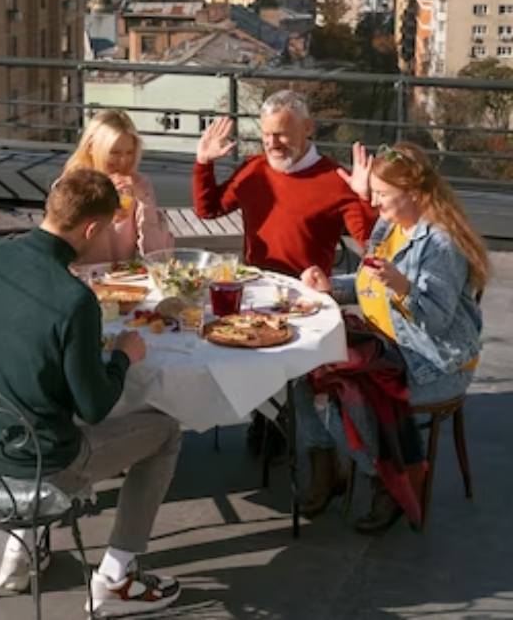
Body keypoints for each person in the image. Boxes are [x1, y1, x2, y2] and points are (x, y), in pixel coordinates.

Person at [0, 169, 182, 616]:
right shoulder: (74, 300)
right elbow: (95, 408)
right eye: (107, 229)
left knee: (45, 401)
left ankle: (19, 552)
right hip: (39, 467)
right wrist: (121, 357)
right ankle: (117, 579)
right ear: (91, 229)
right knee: (167, 430)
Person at [299, 142, 489, 534]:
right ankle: (355, 469)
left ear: (415, 195)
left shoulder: (440, 245)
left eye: (383, 195)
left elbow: (435, 321)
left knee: (346, 388)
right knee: (313, 372)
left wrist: (404, 287)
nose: (374, 202)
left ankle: (388, 484)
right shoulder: (390, 227)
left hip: (433, 364)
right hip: (391, 347)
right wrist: (330, 285)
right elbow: (370, 280)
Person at [193, 90, 376, 278]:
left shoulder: (338, 180)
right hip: (256, 285)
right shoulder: (253, 168)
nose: (272, 143)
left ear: (308, 127)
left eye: (281, 134)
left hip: (307, 296)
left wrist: (364, 198)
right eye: (266, 134)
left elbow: (372, 245)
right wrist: (204, 162)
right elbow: (208, 209)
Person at [63, 109, 172, 264]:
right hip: (82, 281)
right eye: (114, 153)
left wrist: (144, 200)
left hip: (123, 281)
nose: (123, 161)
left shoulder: (139, 185)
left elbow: (158, 254)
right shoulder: (69, 187)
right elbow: (62, 248)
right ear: (91, 148)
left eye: (129, 153)